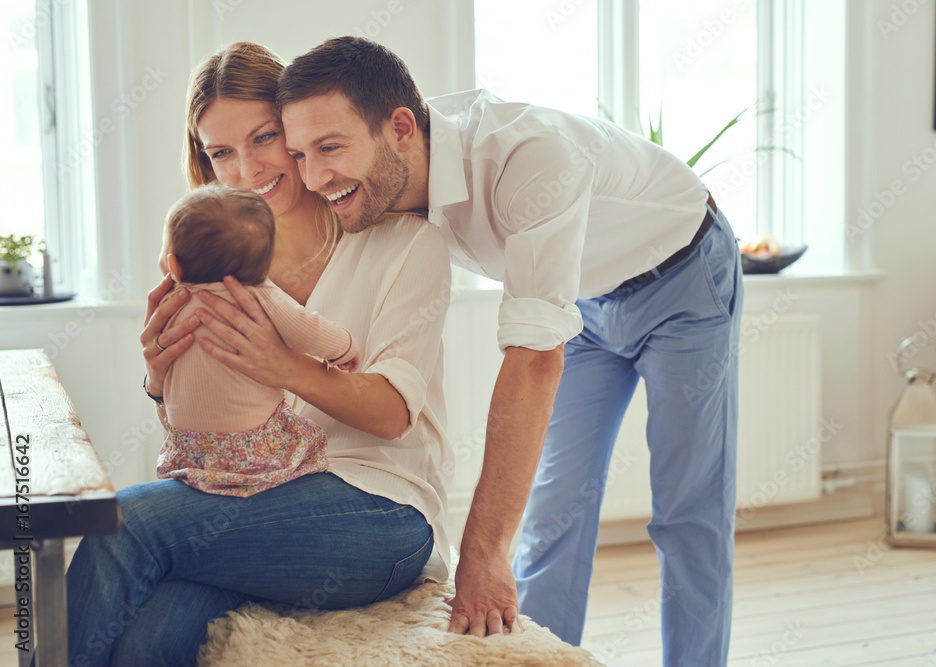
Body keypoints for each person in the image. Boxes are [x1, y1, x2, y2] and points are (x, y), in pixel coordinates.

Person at [275, 36, 744, 665]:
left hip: (684, 275)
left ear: (402, 129)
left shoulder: (529, 161)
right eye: (301, 153)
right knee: (555, 509)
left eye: (329, 148)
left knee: (687, 514)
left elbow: (532, 357)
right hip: (582, 300)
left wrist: (481, 553)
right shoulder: (385, 177)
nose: (313, 176)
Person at [60, 42, 453, 667]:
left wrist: (286, 366)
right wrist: (160, 380)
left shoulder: (403, 242)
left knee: (127, 522)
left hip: (379, 514)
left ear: (295, 129)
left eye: (264, 137)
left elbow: (391, 414)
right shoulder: (213, 257)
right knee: (146, 637)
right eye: (220, 151)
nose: (243, 168)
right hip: (249, 507)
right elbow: (209, 420)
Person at [155, 183, 359, 498]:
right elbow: (309, 331)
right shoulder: (257, 295)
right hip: (256, 457)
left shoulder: (169, 303)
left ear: (175, 265)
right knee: (310, 437)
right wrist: (345, 348)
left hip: (191, 453)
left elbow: (163, 376)